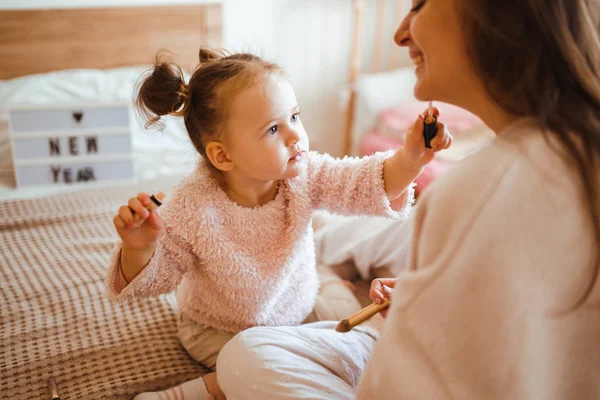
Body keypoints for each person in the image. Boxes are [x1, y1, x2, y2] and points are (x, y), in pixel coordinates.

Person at [215, 0, 600, 398]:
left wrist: (420, 319)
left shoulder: (480, 190)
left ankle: (325, 256)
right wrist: (442, 301)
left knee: (245, 354)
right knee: (385, 227)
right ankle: (326, 254)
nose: (401, 33)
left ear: (494, 15)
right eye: (273, 128)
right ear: (220, 155)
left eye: (420, 5)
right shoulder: (558, 156)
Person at [105, 48, 452, 400]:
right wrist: (140, 247)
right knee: (248, 360)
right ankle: (206, 390)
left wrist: (409, 159)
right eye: (273, 128)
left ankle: (331, 288)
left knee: (352, 325)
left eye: (295, 117)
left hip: (299, 307)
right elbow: (158, 276)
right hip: (220, 330)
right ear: (223, 155)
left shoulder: (305, 175)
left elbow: (363, 182)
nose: (295, 136)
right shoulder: (193, 206)